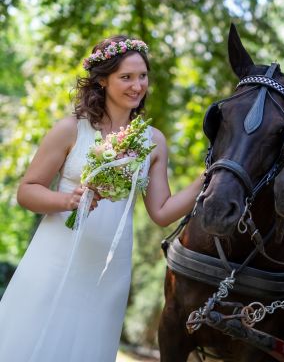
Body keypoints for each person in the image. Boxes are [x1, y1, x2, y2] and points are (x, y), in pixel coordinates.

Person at [0, 35, 204, 361]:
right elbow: (27, 190)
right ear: (102, 80)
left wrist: (209, 177)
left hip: (109, 267)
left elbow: (163, 212)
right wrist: (67, 201)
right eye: (126, 77)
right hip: (56, 255)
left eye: (142, 76)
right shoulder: (70, 129)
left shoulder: (153, 141)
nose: (137, 86)